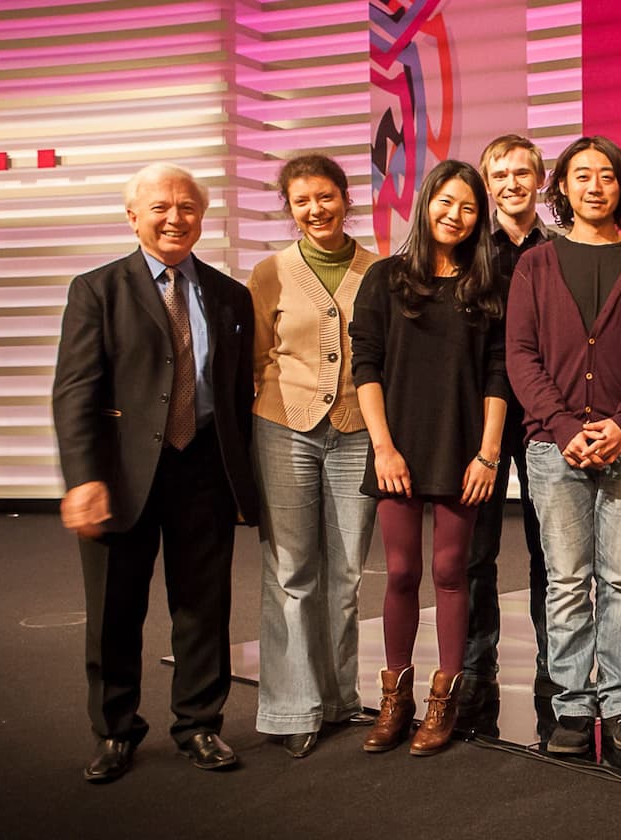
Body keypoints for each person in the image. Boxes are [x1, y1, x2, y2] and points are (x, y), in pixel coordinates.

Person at [53, 162, 259, 783]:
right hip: (121, 476)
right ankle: (115, 731)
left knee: (203, 606)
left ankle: (199, 724)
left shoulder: (230, 295)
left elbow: (236, 392)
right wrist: (84, 478)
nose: (175, 218)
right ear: (133, 216)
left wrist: (245, 482)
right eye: (161, 208)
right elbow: (75, 392)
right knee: (115, 610)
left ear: (203, 216)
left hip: (204, 469)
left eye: (188, 208)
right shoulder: (97, 289)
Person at [506, 135, 621, 755]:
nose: (595, 186)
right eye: (582, 175)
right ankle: (574, 705)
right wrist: (562, 427)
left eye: (606, 175)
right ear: (564, 189)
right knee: (566, 581)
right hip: (554, 449)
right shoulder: (534, 265)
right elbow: (521, 357)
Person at [352, 160, 509, 756]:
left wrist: (488, 455)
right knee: (399, 573)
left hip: (463, 448)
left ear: (478, 218)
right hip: (398, 447)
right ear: (426, 205)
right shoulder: (386, 278)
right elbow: (365, 365)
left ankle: (443, 698)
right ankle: (396, 696)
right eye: (446, 201)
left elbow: (499, 373)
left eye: (469, 207)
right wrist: (383, 447)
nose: (456, 214)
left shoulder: (487, 287)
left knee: (450, 572)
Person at [247, 154, 381, 758]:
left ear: (345, 199)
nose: (315, 210)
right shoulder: (269, 273)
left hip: (355, 432)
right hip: (284, 429)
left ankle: (338, 699)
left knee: (347, 575)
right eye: (302, 201)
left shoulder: (377, 271)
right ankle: (291, 707)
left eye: (325, 197)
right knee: (292, 572)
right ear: (290, 207)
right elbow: (254, 358)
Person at [457, 134, 558, 716]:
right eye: (500, 174)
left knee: (550, 548)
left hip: (544, 415)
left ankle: (554, 664)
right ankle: (476, 664)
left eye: (523, 172)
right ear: (487, 183)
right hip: (482, 416)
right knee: (477, 549)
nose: (513, 183)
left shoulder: (561, 249)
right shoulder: (467, 250)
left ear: (541, 180)